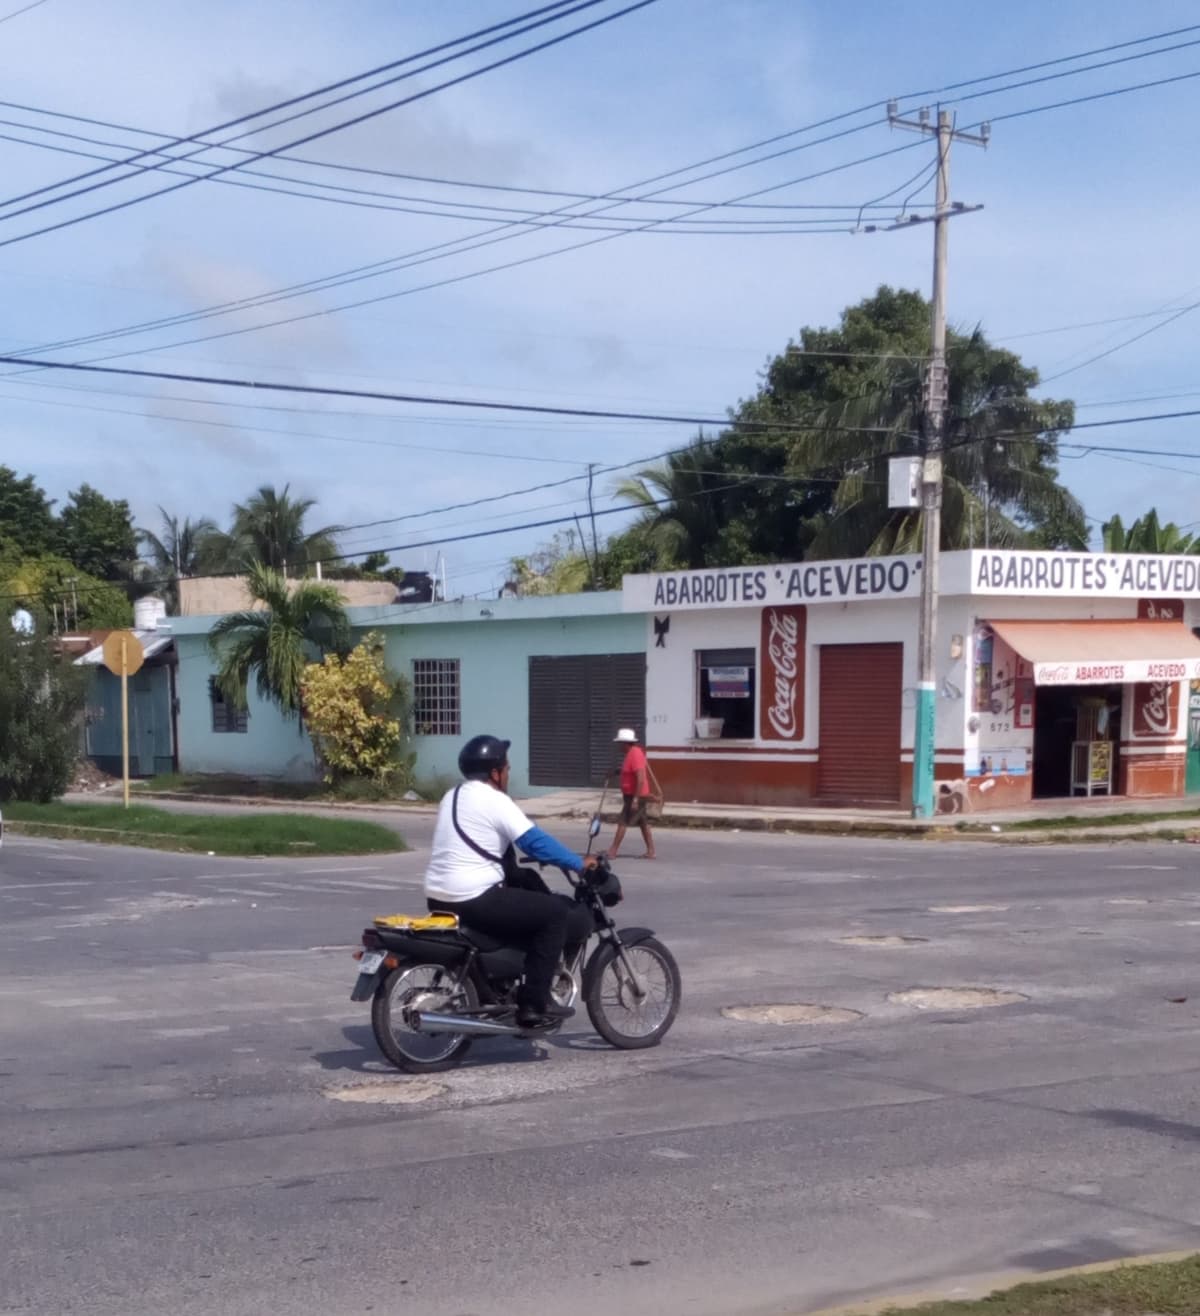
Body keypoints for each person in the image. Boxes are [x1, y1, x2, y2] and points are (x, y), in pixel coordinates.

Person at [424, 734, 597, 1029]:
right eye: (506, 768)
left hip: (438, 896)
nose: (508, 773)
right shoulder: (494, 800)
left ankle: (499, 985)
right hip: (473, 897)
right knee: (553, 914)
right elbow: (534, 842)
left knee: (524, 900)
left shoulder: (451, 796)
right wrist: (578, 863)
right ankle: (533, 1006)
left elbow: (494, 850)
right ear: (495, 773)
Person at [608, 727, 656, 860]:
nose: (618, 746)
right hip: (632, 795)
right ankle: (651, 851)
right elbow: (628, 772)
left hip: (636, 796)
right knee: (643, 823)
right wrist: (616, 773)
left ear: (625, 743)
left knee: (623, 821)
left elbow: (640, 779)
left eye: (620, 743)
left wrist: (635, 799)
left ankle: (613, 850)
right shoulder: (630, 754)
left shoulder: (635, 754)